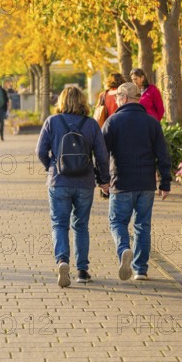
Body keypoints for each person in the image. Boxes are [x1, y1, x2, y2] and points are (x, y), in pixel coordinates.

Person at [36, 86, 110, 287]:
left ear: (61, 101)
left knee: (59, 224)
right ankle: (83, 271)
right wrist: (104, 180)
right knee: (81, 226)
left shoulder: (52, 121)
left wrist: (51, 167)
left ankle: (62, 261)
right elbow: (102, 156)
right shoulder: (91, 124)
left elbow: (40, 151)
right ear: (82, 101)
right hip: (85, 182)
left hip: (58, 181)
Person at [102, 82, 171, 281]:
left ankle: (124, 249)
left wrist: (102, 180)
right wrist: (165, 183)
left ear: (123, 98)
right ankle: (140, 269)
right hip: (146, 183)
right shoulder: (151, 122)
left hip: (121, 182)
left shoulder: (112, 122)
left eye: (116, 97)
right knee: (143, 225)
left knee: (117, 222)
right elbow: (163, 155)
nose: (115, 100)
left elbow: (101, 153)